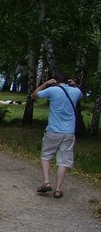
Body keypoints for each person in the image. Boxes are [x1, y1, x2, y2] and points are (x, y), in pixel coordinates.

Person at [31, 71, 83, 199]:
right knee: (63, 161)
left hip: (53, 130)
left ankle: (47, 182)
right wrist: (74, 85)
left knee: (46, 156)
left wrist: (46, 83)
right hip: (69, 132)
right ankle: (58, 190)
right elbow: (80, 95)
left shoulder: (53, 90)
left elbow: (34, 95)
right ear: (67, 81)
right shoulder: (76, 91)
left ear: (55, 81)